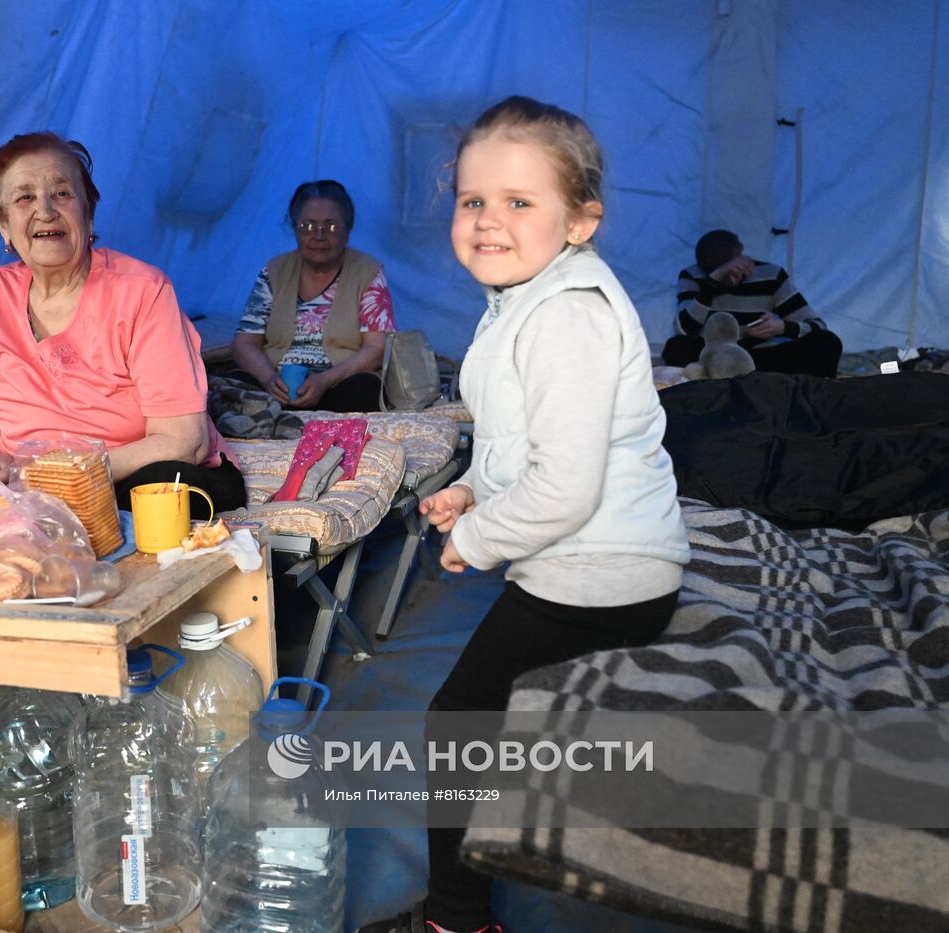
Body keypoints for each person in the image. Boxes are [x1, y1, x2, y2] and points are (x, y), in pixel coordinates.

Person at [357, 97, 690, 933]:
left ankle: (455, 919)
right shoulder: (525, 301)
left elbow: (567, 489)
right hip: (594, 562)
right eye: (473, 201)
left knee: (453, 727)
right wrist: (473, 484)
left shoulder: (568, 316)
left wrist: (473, 535)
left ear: (580, 222)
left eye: (518, 202)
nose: (487, 221)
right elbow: (521, 440)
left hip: (603, 573)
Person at [0, 132, 246, 517]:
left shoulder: (142, 291)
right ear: (2, 223)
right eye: (24, 198)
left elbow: (184, 441)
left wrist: (70, 477)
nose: (46, 211)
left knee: (161, 491)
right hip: (22, 484)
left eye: (63, 194)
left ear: (89, 211)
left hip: (127, 474)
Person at [229, 180, 396, 412]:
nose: (318, 236)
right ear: (295, 228)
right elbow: (245, 343)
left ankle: (283, 412)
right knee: (230, 382)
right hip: (277, 380)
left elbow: (377, 347)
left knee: (368, 389)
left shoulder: (368, 272)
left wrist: (325, 380)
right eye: (308, 226)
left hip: (337, 382)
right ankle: (279, 405)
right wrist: (269, 379)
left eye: (331, 226)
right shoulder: (275, 270)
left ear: (347, 231)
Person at [662, 229, 842, 377]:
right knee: (677, 348)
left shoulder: (770, 274)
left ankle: (805, 399)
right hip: (716, 359)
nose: (730, 278)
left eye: (733, 270)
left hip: (762, 357)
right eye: (723, 273)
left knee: (826, 342)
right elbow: (684, 330)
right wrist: (712, 284)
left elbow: (818, 325)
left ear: (742, 257)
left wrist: (782, 328)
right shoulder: (692, 276)